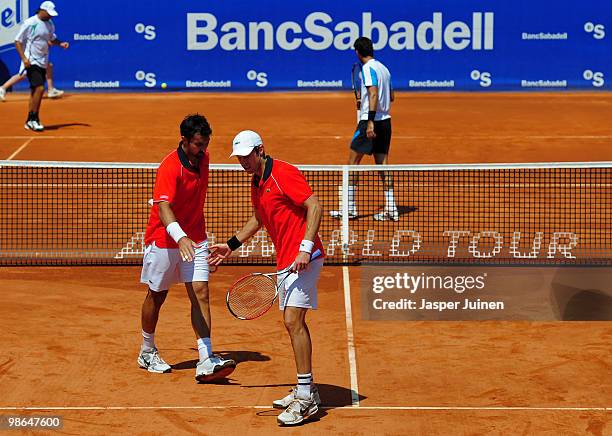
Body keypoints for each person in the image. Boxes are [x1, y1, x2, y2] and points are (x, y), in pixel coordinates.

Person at [209, 130, 324, 426]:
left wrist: (305, 248)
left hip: (304, 257)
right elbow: (259, 218)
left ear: (261, 150)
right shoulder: (257, 182)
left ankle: (306, 398)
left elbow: (315, 205)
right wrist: (230, 245)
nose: (243, 162)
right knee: (292, 322)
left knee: (292, 320)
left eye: (247, 156)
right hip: (286, 261)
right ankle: (306, 388)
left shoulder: (283, 173)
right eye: (240, 158)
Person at [138, 114, 236, 383]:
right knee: (157, 295)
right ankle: (147, 351)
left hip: (196, 239)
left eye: (205, 144)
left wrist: (191, 239)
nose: (202, 150)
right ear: (184, 140)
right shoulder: (169, 168)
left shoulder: (204, 158)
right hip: (165, 239)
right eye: (197, 144)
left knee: (201, 292)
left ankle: (206, 358)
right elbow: (163, 207)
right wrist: (180, 237)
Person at [330, 36, 397, 221]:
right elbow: (391, 97)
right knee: (383, 164)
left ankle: (349, 209)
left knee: (352, 164)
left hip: (371, 120)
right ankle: (392, 208)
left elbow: (374, 92)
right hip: (386, 121)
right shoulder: (384, 69)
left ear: (358, 52)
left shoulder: (367, 69)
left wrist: (369, 120)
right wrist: (364, 100)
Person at [13, 1, 69, 131]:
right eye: (49, 14)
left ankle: (29, 121)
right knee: (39, 88)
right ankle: (34, 119)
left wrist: (60, 43)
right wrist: (24, 59)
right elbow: (17, 41)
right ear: (41, 11)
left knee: (34, 91)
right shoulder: (30, 23)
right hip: (31, 60)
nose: (51, 16)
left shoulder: (50, 24)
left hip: (43, 61)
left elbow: (51, 39)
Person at [0, 61, 65, 102]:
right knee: (24, 74)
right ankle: (2, 88)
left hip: (38, 55)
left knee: (49, 66)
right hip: (30, 56)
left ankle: (51, 90)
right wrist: (59, 43)